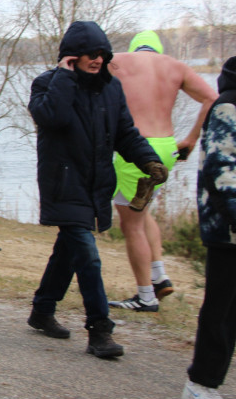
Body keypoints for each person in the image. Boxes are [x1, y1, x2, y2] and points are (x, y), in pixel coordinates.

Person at [26, 21, 166, 358]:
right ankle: (100, 330)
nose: (98, 59)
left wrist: (148, 160)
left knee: (69, 252)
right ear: (71, 56)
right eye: (91, 53)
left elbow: (125, 133)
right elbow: (51, 117)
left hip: (96, 187)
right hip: (63, 184)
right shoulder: (47, 84)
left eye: (103, 53)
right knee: (87, 257)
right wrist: (64, 76)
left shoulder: (111, 89)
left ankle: (43, 311)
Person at [107, 30, 218, 312]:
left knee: (131, 225)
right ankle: (159, 276)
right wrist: (191, 139)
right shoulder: (176, 66)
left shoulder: (119, 61)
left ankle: (146, 297)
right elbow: (212, 99)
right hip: (167, 149)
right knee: (142, 214)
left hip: (137, 150)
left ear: (134, 48)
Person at [181, 56, 236, 399]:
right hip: (228, 230)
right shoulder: (228, 107)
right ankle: (201, 385)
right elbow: (221, 169)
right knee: (223, 308)